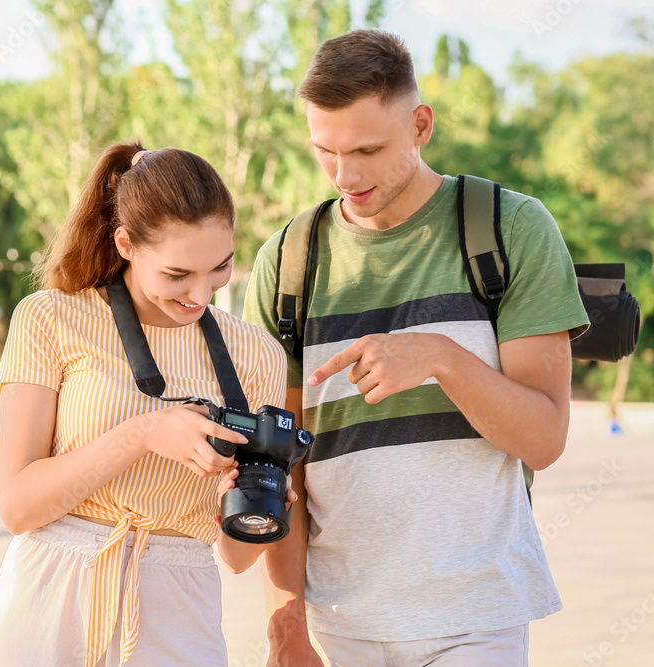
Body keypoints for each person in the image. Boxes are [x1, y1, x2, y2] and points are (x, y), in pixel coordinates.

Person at [243, 29, 590, 667]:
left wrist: (441, 358)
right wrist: (283, 620)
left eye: (368, 149)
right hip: (335, 625)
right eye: (326, 150)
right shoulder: (288, 261)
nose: (345, 175)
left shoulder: (511, 229)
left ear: (421, 124)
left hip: (475, 620)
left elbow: (544, 437)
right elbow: (275, 461)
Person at [0, 140, 291, 667]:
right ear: (125, 243)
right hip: (52, 598)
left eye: (220, 267)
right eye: (177, 275)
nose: (201, 294)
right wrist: (145, 433)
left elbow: (237, 558)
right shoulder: (49, 318)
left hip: (179, 608)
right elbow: (17, 506)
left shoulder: (257, 354)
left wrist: (265, 503)